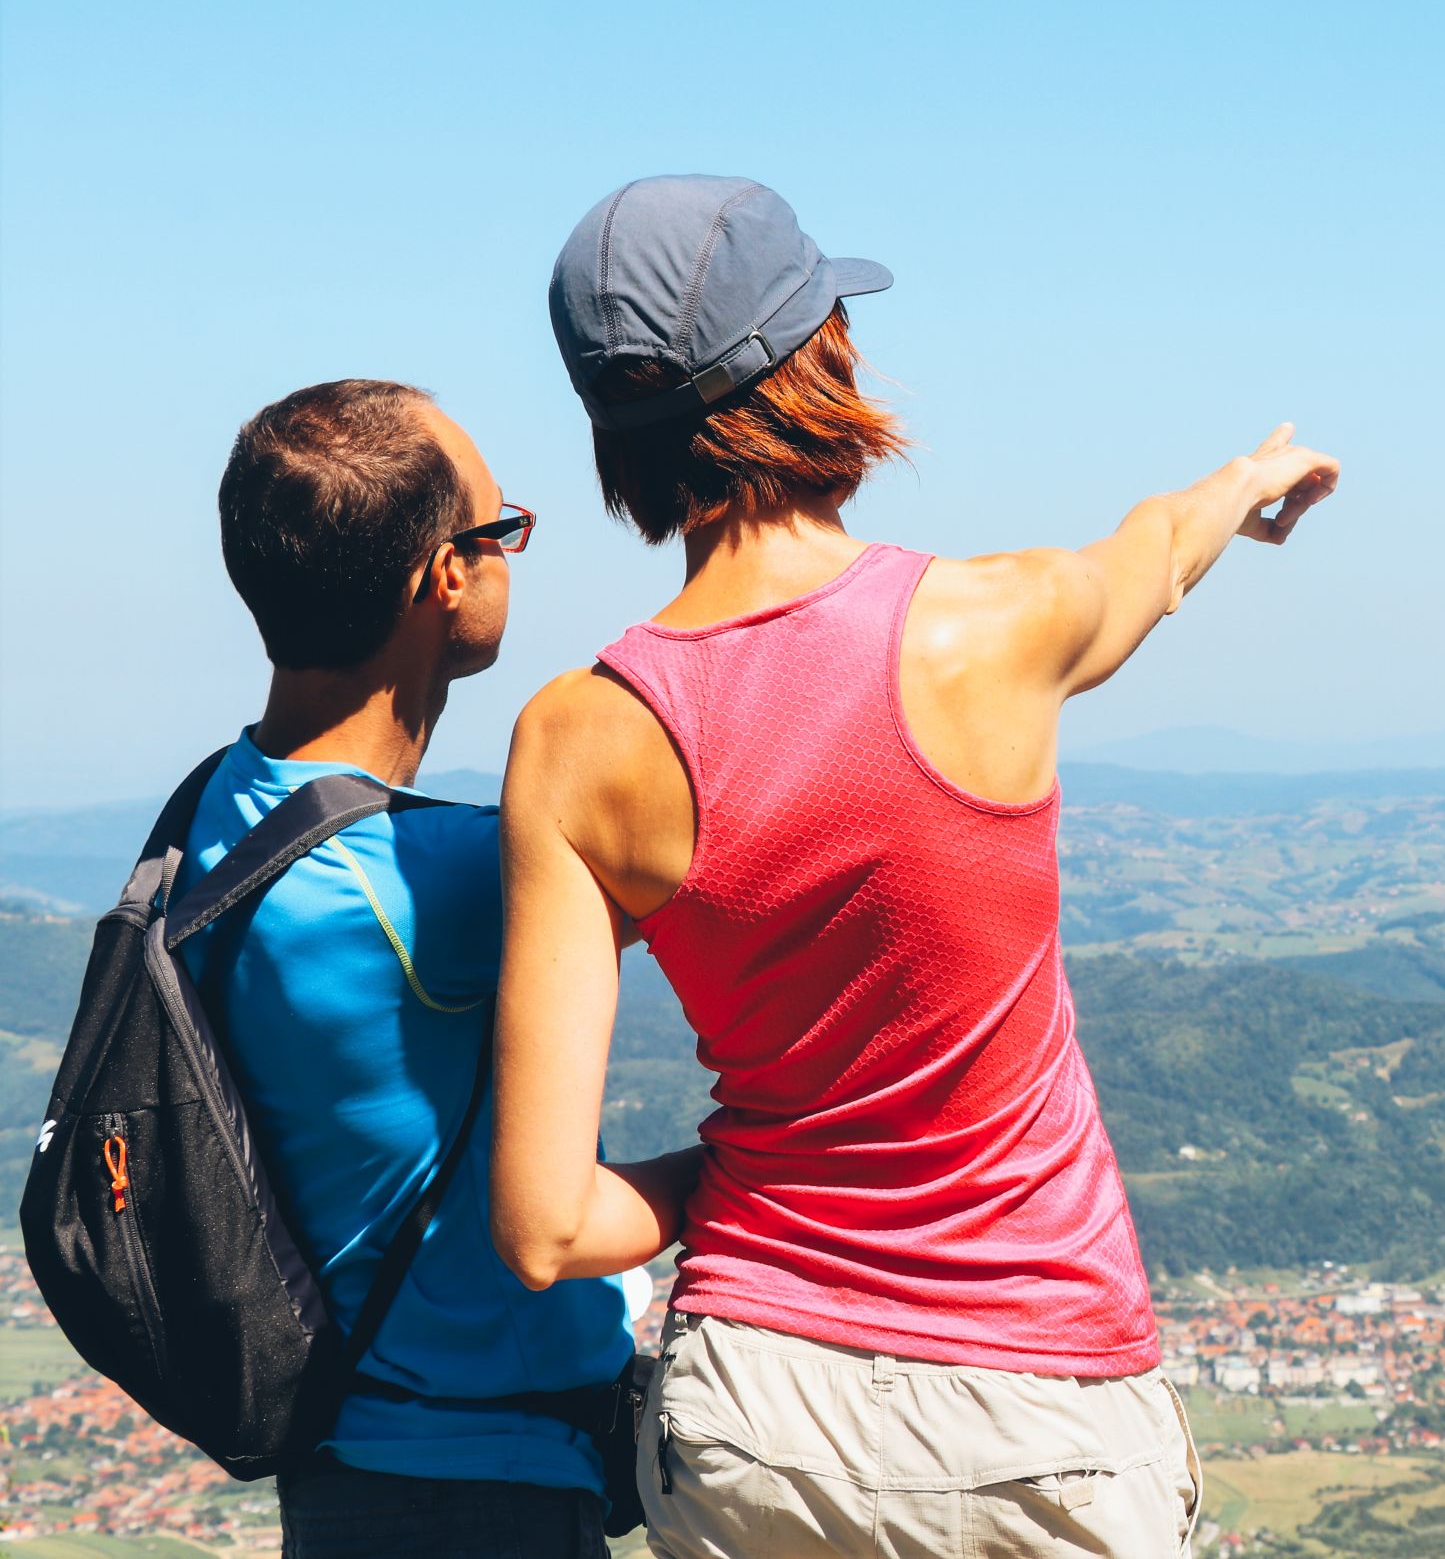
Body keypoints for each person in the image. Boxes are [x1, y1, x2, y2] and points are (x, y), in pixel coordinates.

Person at [488, 175, 1340, 1558]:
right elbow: (1147, 554)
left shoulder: (577, 740)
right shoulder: (993, 627)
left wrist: (749, 1176)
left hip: (755, 1415)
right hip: (1037, 1411)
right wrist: (1243, 484)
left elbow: (546, 1225)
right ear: (815, 364)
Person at [181, 380, 694, 1559]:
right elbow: (743, 849)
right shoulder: (430, 884)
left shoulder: (215, 811)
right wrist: (736, 1168)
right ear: (444, 576)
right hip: (476, 1485)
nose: (515, 550)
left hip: (342, 1464)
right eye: (501, 527)